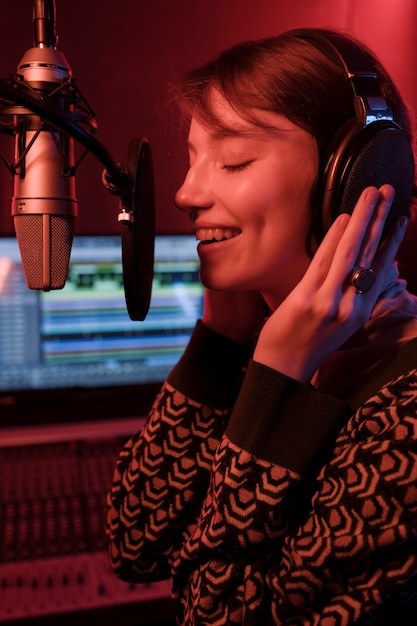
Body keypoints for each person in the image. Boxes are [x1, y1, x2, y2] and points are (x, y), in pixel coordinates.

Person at [105, 28, 417, 625]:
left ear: (353, 177)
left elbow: (213, 614)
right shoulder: (265, 346)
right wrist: (219, 344)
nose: (184, 193)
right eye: (193, 160)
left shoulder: (405, 417)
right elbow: (135, 542)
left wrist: (275, 385)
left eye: (234, 160)